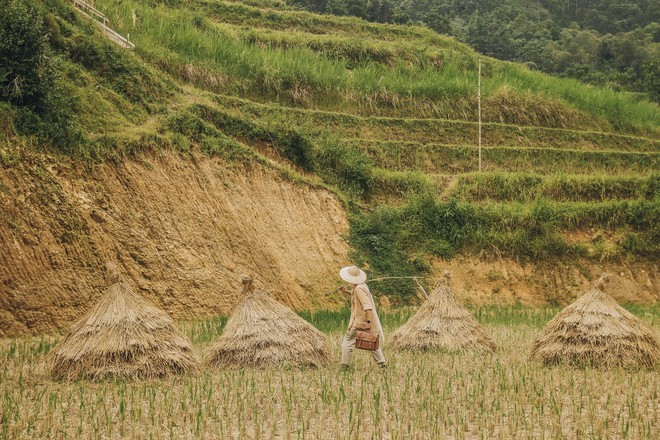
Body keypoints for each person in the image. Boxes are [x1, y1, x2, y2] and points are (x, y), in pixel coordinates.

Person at [338, 265, 386, 369]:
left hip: (360, 322)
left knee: (347, 341)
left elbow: (367, 306)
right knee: (371, 340)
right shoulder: (360, 287)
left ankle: (344, 365)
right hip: (363, 321)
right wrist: (344, 291)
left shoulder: (358, 289)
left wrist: (368, 323)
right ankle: (382, 363)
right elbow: (354, 295)